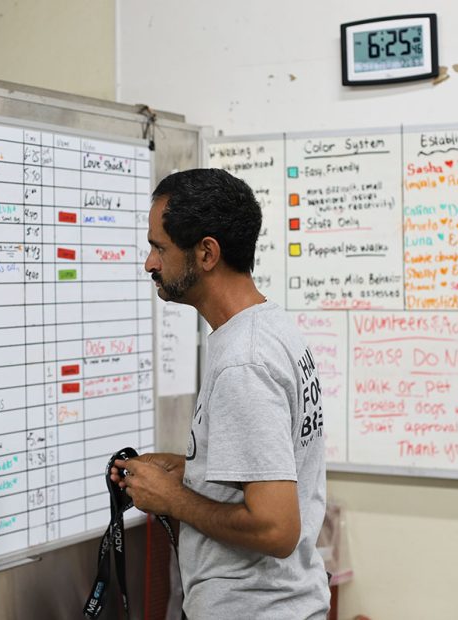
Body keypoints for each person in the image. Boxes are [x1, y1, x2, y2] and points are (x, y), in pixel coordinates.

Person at [111, 168, 329, 619]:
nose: (150, 264)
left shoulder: (243, 362)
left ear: (206, 253)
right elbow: (271, 470)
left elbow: (275, 529)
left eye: (159, 248)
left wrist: (172, 499)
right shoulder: (270, 328)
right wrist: (194, 472)